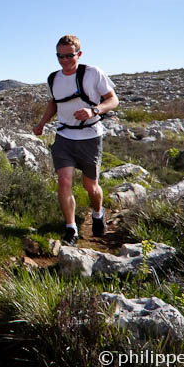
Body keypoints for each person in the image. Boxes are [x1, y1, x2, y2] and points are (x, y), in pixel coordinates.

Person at [33, 35, 119, 246]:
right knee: (64, 181)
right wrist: (42, 123)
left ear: (78, 54)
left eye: (68, 55)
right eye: (59, 56)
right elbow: (54, 103)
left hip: (90, 137)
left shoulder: (93, 73)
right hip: (64, 137)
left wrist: (94, 110)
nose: (64, 60)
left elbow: (113, 100)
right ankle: (71, 228)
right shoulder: (54, 78)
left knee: (91, 186)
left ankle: (98, 213)